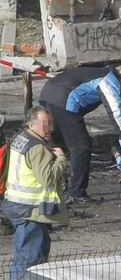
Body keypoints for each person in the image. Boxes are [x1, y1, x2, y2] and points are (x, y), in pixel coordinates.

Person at [39, 66, 121, 204]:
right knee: (81, 147)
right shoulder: (109, 79)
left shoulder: (95, 73)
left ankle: (53, 187)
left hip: (47, 96)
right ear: (120, 83)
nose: (120, 96)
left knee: (57, 146)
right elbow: (115, 110)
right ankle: (76, 192)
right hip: (63, 100)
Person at [0, 106, 68, 279]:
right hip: (32, 212)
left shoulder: (20, 138)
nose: (50, 129)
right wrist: (60, 159)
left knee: (23, 257)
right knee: (31, 260)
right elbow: (48, 177)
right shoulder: (37, 148)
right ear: (31, 124)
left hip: (17, 206)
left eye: (50, 124)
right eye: (45, 125)